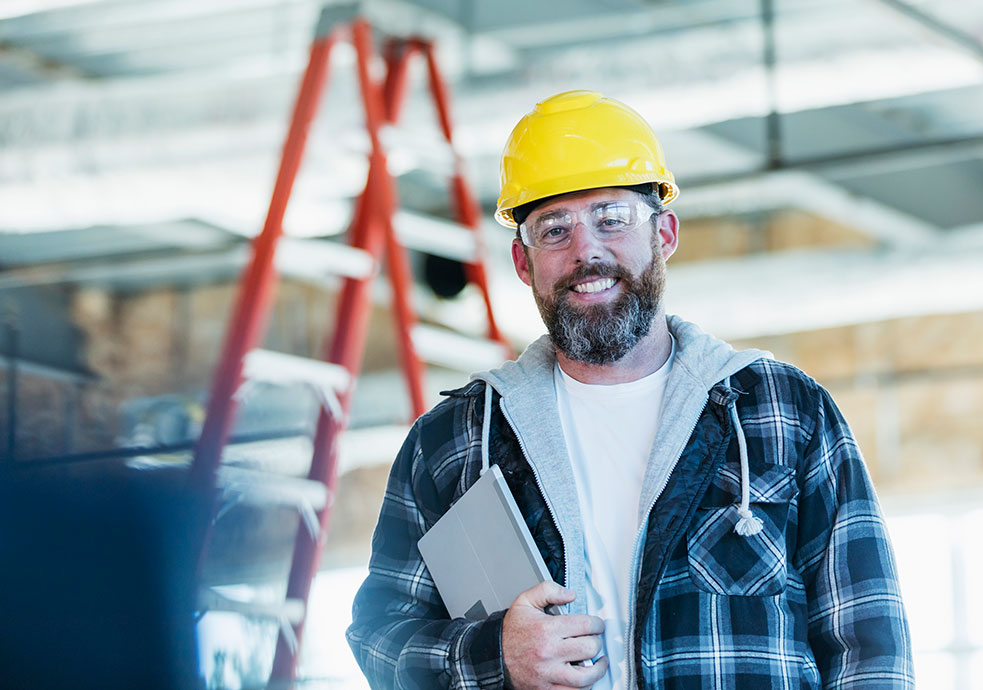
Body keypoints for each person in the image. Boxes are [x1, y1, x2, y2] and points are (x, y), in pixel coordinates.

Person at [346, 90, 914, 689]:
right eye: (554, 229)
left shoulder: (780, 412)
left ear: (664, 233)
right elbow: (381, 636)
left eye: (611, 219)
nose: (586, 250)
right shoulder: (457, 441)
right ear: (522, 261)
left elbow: (869, 644)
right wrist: (496, 655)